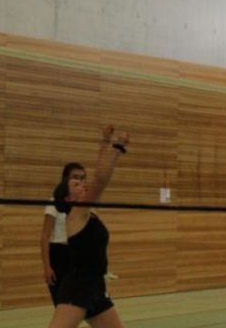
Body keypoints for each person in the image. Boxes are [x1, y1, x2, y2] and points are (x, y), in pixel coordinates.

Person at [48, 125, 129, 328]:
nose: (82, 184)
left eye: (81, 181)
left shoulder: (89, 211)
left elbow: (97, 177)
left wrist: (105, 141)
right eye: (75, 184)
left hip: (97, 287)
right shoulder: (76, 213)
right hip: (78, 288)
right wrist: (117, 147)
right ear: (68, 198)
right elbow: (100, 180)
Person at [42, 162, 86, 304]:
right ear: (66, 179)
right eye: (75, 177)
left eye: (82, 178)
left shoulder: (83, 206)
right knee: (61, 301)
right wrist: (47, 266)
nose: (79, 181)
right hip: (59, 254)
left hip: (76, 255)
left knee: (78, 302)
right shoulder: (55, 202)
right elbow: (45, 236)